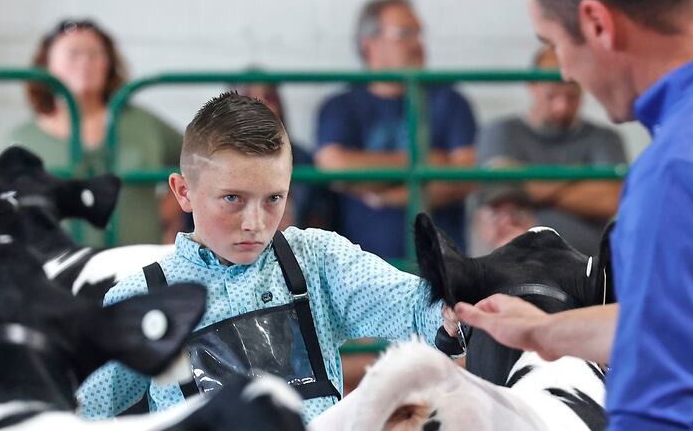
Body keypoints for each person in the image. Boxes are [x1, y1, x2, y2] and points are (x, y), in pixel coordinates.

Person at [76, 92, 449, 424]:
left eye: (273, 198)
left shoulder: (317, 260)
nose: (255, 224)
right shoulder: (141, 299)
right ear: (184, 191)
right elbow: (78, 411)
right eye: (233, 199)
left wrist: (453, 309)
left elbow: (416, 307)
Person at [454, 0, 693, 429]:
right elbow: (673, 322)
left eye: (556, 43)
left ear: (595, 23)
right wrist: (544, 333)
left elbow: (667, 399)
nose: (567, 71)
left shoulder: (675, 168)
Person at [315, 0, 476, 259]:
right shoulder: (339, 106)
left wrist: (384, 194)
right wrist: (426, 164)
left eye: (418, 34)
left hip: (442, 270)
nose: (418, 45)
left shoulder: (450, 100)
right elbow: (336, 168)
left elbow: (463, 177)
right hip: (359, 273)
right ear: (370, 44)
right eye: (405, 34)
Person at [9, 19, 184, 246]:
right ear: (46, 64)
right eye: (73, 54)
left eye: (95, 54)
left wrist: (168, 212)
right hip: (57, 272)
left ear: (108, 64)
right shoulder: (23, 139)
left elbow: (198, 161)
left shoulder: (141, 121)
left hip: (137, 268)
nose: (85, 62)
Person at [477, 46, 626, 255]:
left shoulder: (605, 138)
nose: (562, 107)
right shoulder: (500, 131)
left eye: (571, 97)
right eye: (552, 96)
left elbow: (610, 200)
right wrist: (575, 176)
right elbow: (503, 187)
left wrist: (526, 184)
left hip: (587, 271)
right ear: (532, 85)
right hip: (519, 266)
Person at [233, 82, 337, 230]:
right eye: (248, 99)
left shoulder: (303, 160)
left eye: (269, 98)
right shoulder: (215, 162)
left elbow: (319, 222)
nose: (260, 106)